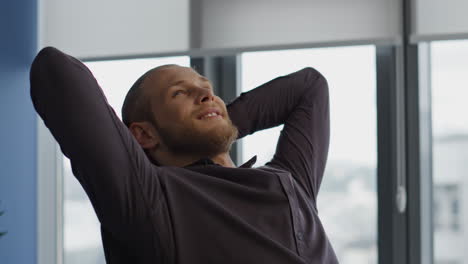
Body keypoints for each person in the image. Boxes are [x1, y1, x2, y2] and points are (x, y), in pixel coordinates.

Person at [30, 47, 338, 264]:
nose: (205, 94)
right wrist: (210, 120)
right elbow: (55, 71)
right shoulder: (151, 201)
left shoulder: (289, 180)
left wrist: (219, 120)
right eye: (180, 93)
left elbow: (309, 87)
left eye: (206, 88)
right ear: (145, 134)